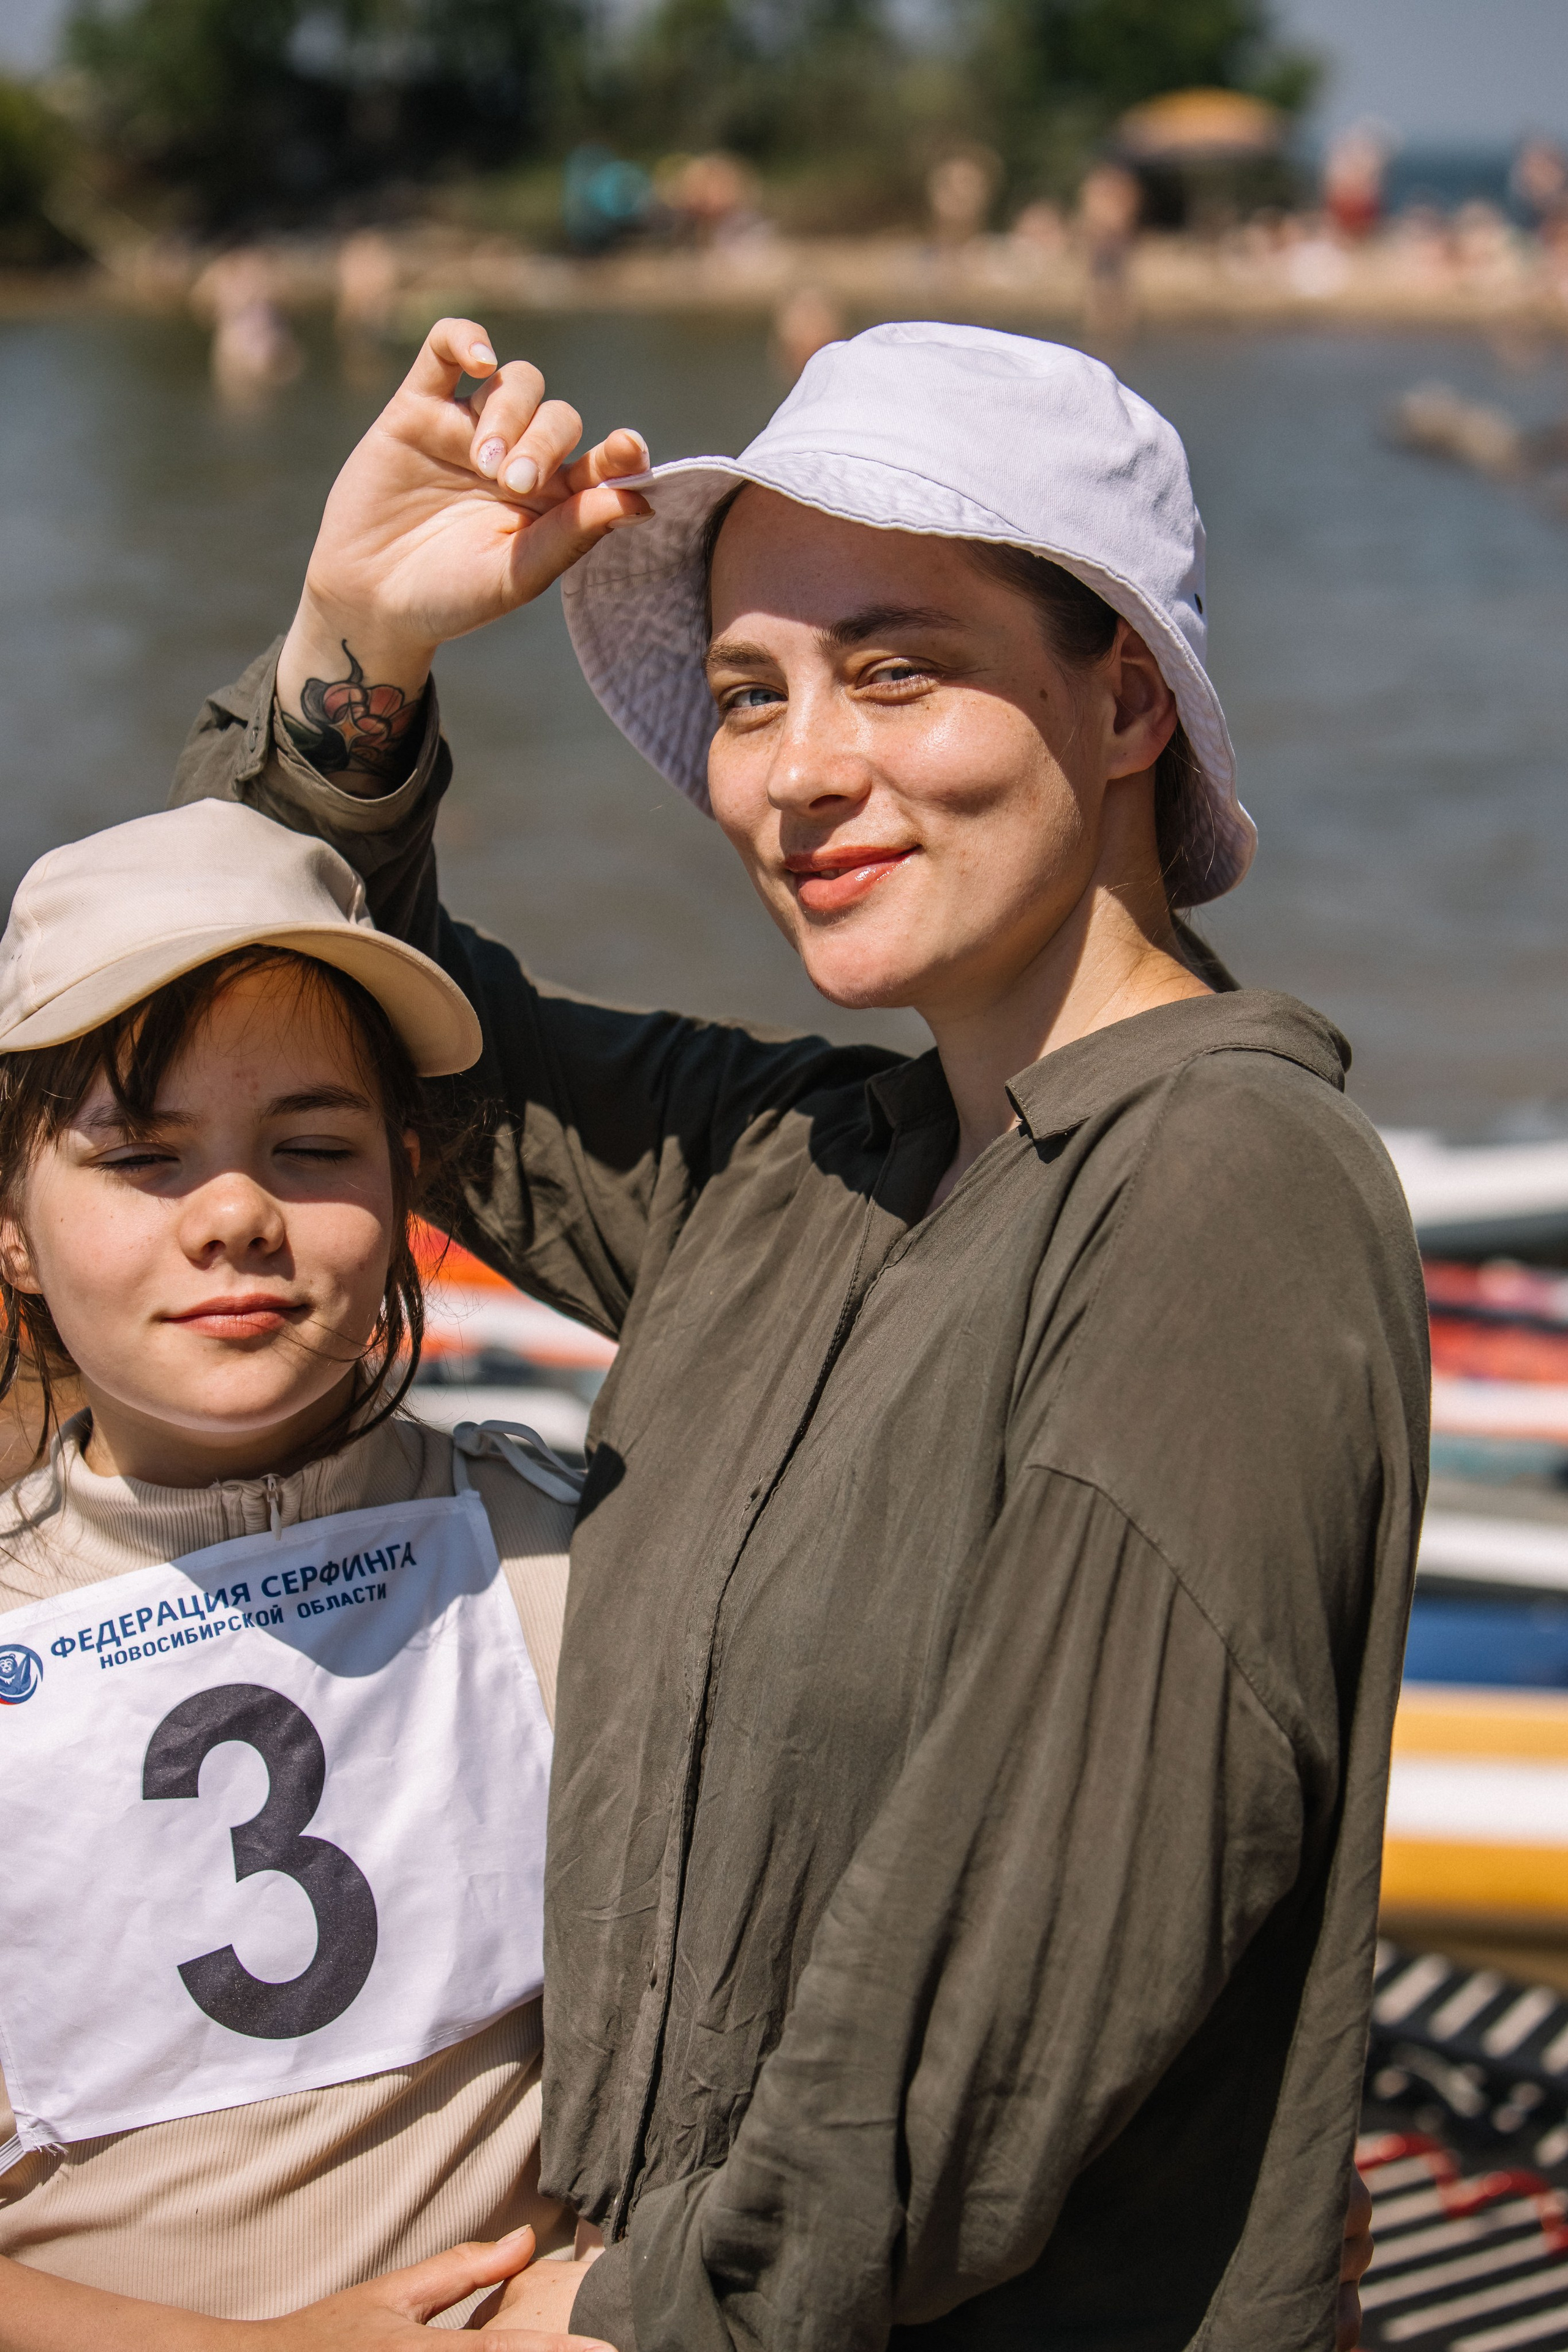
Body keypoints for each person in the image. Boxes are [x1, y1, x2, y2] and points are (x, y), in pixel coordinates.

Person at [173, 319, 1417, 2350]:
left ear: (1122, 699)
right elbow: (331, 1013)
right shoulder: (791, 1171)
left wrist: (623, 2320)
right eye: (749, 694)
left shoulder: (1224, 1185)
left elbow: (994, 2028)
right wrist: (358, 647)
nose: (800, 769)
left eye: (897, 667)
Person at [0, 800, 612, 2348]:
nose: (234, 1218)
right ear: (14, 1225)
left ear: (410, 1183)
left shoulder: (574, 1558)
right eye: (141, 1154)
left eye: (313, 1148)